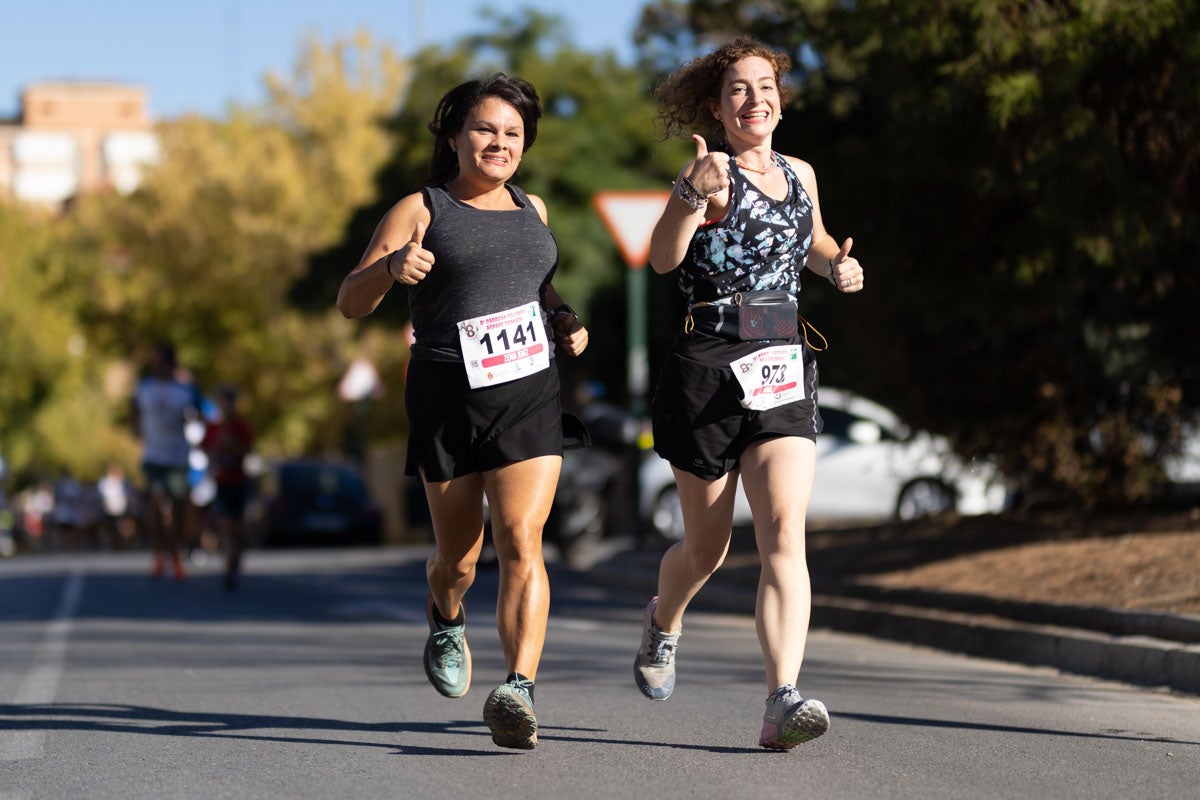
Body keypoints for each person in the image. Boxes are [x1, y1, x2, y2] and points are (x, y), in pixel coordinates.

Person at [336, 73, 589, 750]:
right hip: (448, 394)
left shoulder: (532, 207)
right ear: (455, 137)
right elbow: (350, 300)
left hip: (529, 390)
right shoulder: (421, 208)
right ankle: (445, 610)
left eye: (512, 133)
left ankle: (518, 690)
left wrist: (563, 317)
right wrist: (390, 270)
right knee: (461, 559)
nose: (498, 143)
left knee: (521, 538)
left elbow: (537, 286)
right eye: (485, 129)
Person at [634, 37, 866, 751]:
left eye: (765, 87)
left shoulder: (801, 172)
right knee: (704, 550)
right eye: (738, 89)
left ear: (779, 98)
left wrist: (838, 269)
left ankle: (780, 700)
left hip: (783, 365)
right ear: (717, 104)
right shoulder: (710, 173)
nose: (754, 99)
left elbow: (817, 239)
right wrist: (688, 194)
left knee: (783, 533)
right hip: (708, 365)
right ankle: (663, 621)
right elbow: (663, 258)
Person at [131, 342, 201, 581]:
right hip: (154, 457)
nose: (155, 367)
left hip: (178, 457)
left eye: (159, 362)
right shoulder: (144, 388)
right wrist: (136, 432)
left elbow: (202, 414)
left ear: (171, 364)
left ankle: (176, 553)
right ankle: (160, 554)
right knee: (156, 507)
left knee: (180, 509)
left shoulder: (185, 390)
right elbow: (133, 412)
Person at [202, 385, 255, 592]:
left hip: (238, 481)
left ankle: (236, 556)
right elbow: (205, 448)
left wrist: (230, 445)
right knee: (225, 524)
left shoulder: (241, 426)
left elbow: (247, 450)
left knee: (237, 525)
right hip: (221, 481)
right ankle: (228, 566)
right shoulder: (213, 427)